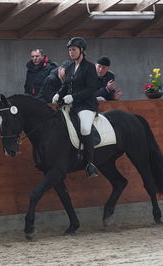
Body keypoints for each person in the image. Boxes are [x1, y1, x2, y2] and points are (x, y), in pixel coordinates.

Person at [51, 37, 99, 178]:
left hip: (86, 106)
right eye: (70, 50)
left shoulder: (89, 67)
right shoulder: (70, 67)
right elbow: (65, 86)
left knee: (84, 128)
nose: (71, 53)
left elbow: (91, 89)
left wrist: (74, 97)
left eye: (74, 50)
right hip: (71, 105)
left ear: (81, 50)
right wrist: (58, 94)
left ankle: (90, 163)